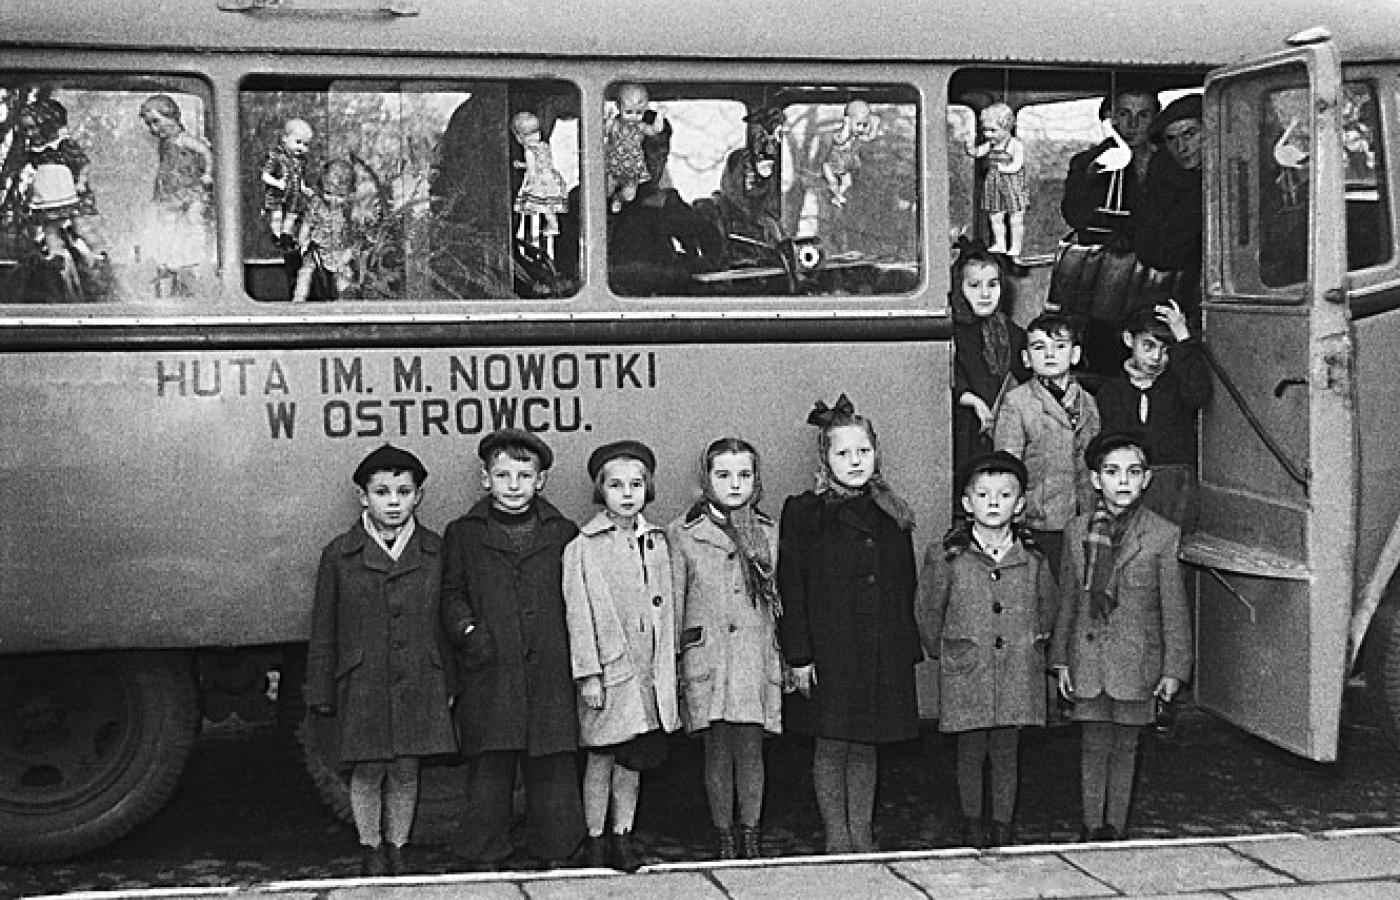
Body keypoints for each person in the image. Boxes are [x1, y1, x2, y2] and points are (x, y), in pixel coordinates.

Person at [304, 444, 458, 877]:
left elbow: (444, 621)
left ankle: (399, 846)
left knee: (407, 767)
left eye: (404, 492)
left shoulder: (435, 551)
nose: (393, 502)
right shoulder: (340, 554)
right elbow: (325, 627)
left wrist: (450, 682)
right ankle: (371, 847)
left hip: (420, 677)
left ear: (418, 497)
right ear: (363, 497)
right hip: (364, 680)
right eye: (382, 492)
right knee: (368, 768)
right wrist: (321, 690)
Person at [778, 394, 921, 854]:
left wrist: (903, 650)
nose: (855, 461)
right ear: (825, 460)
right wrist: (799, 655)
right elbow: (792, 587)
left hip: (878, 647)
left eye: (863, 451)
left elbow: (904, 585)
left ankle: (861, 833)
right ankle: (836, 836)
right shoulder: (806, 513)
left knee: (866, 743)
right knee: (832, 742)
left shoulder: (892, 512)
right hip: (830, 650)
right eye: (843, 453)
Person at [440, 429, 585, 870]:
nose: (514, 485)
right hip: (492, 666)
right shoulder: (464, 534)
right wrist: (468, 632)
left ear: (540, 481)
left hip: (549, 668)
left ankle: (557, 846)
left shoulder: (562, 532)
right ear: (486, 480)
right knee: (491, 763)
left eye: (524, 476)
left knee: (553, 763)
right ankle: (483, 848)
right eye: (503, 476)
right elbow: (451, 593)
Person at [1050, 432, 1192, 841]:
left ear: (1146, 479)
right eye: (1112, 472)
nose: (1123, 481)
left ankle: (1115, 827)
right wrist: (1061, 659)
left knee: (1127, 745)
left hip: (1137, 660)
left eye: (1133, 472)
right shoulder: (1076, 531)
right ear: (1096, 480)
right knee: (1093, 742)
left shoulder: (1162, 535)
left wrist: (1174, 669)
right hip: (1088, 658)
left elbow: (1174, 608)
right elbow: (1068, 600)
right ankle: (1090, 825)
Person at [917, 451, 1056, 848]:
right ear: (967, 503)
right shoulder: (947, 556)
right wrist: (944, 650)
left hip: (1016, 668)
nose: (993, 503)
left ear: (1020, 504)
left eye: (1005, 495)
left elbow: (1047, 607)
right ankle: (972, 823)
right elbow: (929, 608)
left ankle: (1002, 825)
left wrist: (1033, 643)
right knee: (970, 749)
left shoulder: (1033, 558)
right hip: (968, 669)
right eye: (983, 495)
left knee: (1007, 750)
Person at [563, 440, 680, 873]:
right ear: (601, 490)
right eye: (616, 485)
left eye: (636, 485)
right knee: (601, 756)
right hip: (611, 671)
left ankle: (623, 835)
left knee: (634, 759)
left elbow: (669, 606)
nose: (627, 494)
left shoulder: (658, 542)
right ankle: (594, 838)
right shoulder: (583, 546)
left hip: (649, 673)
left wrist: (670, 667)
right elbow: (579, 615)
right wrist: (588, 674)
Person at [669, 437, 783, 861]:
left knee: (751, 748)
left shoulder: (768, 532)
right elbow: (676, 600)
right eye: (723, 475)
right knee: (716, 749)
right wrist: (676, 662)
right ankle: (723, 835)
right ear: (706, 479)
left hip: (753, 654)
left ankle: (751, 833)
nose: (735, 484)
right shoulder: (683, 534)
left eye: (744, 475)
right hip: (710, 657)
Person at [993, 313, 1101, 573]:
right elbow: (1007, 466)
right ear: (1026, 358)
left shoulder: (1089, 402)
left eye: (1060, 346)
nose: (1050, 354)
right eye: (1039, 347)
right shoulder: (1017, 402)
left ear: (1075, 354)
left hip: (1083, 518)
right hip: (1039, 520)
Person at [1095, 301, 1212, 529]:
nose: (1156, 357)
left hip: (1174, 489)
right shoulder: (1111, 392)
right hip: (1127, 487)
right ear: (1129, 339)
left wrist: (1183, 338)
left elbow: (1199, 394)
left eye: (1165, 349)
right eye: (1148, 346)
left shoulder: (1177, 387)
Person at [950, 240, 1029, 494]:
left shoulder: (1011, 332)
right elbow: (949, 376)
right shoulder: (952, 332)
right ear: (959, 288)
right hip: (965, 423)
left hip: (1004, 421)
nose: (985, 294)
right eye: (974, 286)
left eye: (992, 285)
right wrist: (973, 400)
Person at [18, 97, 110, 273]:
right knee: (49, 226)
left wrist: (81, 182)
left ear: (47, 124)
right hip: (47, 193)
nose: (30, 133)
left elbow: (83, 164)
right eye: (27, 129)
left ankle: (99, 252)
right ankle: (56, 254)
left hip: (67, 190)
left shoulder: (63, 145)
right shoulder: (35, 149)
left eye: (33, 128)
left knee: (80, 225)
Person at [1135, 95, 1204, 327]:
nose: (1181, 148)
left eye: (1190, 134)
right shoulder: (1165, 184)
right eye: (1171, 139)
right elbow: (1158, 252)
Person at [1061, 89, 1160, 248]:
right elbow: (1076, 215)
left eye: (1143, 115)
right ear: (1110, 117)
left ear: (1156, 120)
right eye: (1124, 114)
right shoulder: (1087, 163)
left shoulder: (1173, 162)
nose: (1133, 124)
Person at [139, 94, 213, 298]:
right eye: (149, 124)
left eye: (156, 122)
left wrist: (207, 173)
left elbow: (206, 153)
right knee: (167, 227)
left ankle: (192, 261)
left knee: (193, 221)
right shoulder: (165, 143)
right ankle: (170, 263)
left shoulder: (183, 139)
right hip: (170, 192)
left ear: (172, 116)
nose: (153, 129)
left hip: (189, 190)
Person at [966, 103, 1028, 258]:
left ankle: (1015, 246)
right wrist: (969, 147)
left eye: (993, 130)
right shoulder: (990, 145)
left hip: (1011, 184)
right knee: (995, 216)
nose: (988, 135)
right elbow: (978, 153)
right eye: (985, 130)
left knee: (1015, 218)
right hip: (993, 183)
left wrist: (1006, 169)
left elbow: (1018, 164)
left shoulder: (1015, 145)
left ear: (1006, 127)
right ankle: (1000, 243)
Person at [293, 159, 358, 302]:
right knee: (306, 271)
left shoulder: (348, 210)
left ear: (350, 194)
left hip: (338, 249)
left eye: (340, 196)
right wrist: (302, 240)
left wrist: (350, 251)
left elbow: (353, 233)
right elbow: (307, 222)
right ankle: (298, 299)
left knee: (343, 276)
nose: (333, 199)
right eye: (328, 193)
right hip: (316, 247)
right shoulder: (317, 204)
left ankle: (344, 303)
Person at [605, 83, 666, 213]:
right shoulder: (615, 125)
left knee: (629, 196)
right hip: (612, 165)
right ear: (618, 107)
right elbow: (601, 133)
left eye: (639, 113)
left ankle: (618, 199)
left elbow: (655, 130)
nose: (633, 117)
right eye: (628, 112)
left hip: (632, 168)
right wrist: (608, 119)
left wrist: (660, 116)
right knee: (603, 191)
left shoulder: (640, 127)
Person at [261, 117, 314, 252]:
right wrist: (277, 183)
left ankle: (286, 236)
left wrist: (303, 188)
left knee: (292, 215)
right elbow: (265, 175)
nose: (301, 148)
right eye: (298, 142)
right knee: (277, 215)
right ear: (285, 138)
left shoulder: (301, 161)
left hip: (293, 193)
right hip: (277, 194)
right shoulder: (277, 157)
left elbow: (300, 176)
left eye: (305, 145)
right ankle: (277, 235)